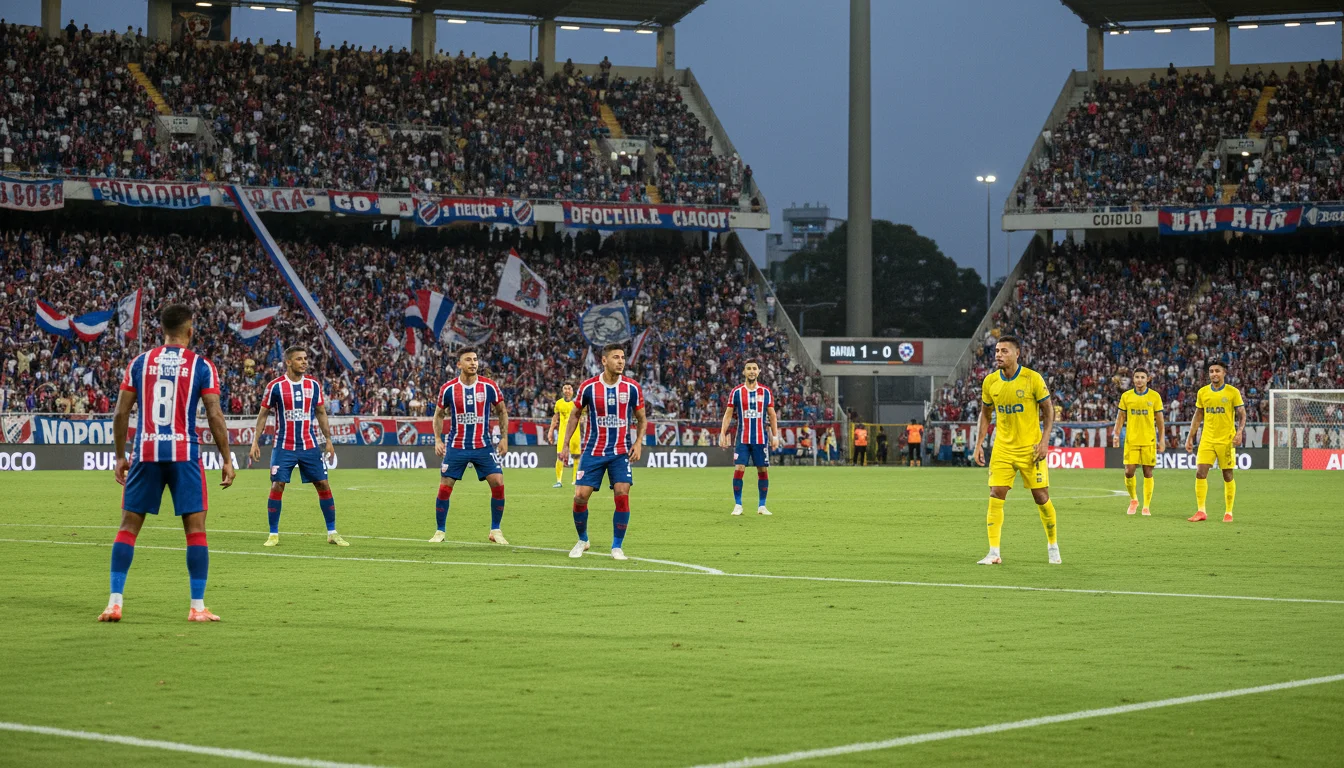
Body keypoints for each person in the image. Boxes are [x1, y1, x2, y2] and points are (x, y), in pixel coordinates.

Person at [100, 304, 235, 623]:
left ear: (163, 331)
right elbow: (215, 414)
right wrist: (227, 459)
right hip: (184, 453)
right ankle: (197, 607)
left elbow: (120, 414)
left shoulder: (140, 362)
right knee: (196, 530)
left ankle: (114, 603)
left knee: (128, 527)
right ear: (190, 330)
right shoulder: (202, 366)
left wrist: (120, 456)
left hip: (145, 451)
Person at [973, 335, 1060, 565]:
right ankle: (993, 552)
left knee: (1041, 497)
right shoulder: (990, 382)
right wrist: (979, 443)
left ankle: (1053, 545)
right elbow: (985, 413)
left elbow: (1048, 411)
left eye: (1004, 351)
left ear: (1017, 354)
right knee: (995, 494)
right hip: (1002, 448)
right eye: (997, 351)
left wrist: (1044, 441)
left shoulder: (1032, 379)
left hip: (1031, 449)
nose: (998, 355)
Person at [249, 346, 346, 547]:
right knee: (278, 485)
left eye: (305, 358)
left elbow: (320, 412)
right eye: (299, 359)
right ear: (288, 362)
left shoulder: (313, 385)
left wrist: (328, 440)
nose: (304, 362)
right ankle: (273, 534)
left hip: (309, 445)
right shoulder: (275, 386)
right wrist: (255, 441)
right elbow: (263, 415)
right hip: (283, 445)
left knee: (323, 484)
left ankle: (332, 532)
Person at [559, 344, 646, 560]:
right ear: (604, 361)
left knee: (622, 493)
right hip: (594, 450)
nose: (621, 361)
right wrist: (566, 445)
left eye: (623, 358)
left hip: (620, 452)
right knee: (580, 496)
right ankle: (582, 539)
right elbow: (575, 415)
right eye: (616, 357)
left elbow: (642, 418)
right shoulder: (589, 387)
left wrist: (639, 442)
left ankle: (617, 546)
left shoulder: (632, 388)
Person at [430, 348, 509, 544]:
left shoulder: (489, 386)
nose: (473, 363)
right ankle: (440, 531)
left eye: (475, 359)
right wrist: (438, 439)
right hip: (457, 446)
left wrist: (504, 438)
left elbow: (502, 411)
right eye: (468, 360)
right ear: (459, 364)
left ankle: (496, 530)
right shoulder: (448, 389)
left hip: (483, 446)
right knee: (445, 487)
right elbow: (438, 414)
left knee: (498, 482)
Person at [1185, 361, 1245, 523]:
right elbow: (1198, 416)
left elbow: (1242, 414)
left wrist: (1239, 432)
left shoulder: (1233, 392)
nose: (1214, 374)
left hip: (1226, 440)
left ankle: (1228, 512)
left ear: (1224, 372)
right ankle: (1201, 511)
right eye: (1211, 371)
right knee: (1200, 472)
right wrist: (1190, 437)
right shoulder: (1203, 392)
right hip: (1207, 439)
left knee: (1227, 474)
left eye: (1217, 371)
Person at [718, 360, 779, 516]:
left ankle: (762, 506)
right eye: (749, 369)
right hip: (742, 439)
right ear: (744, 372)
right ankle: (738, 505)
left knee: (763, 470)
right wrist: (722, 433)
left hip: (760, 439)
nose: (752, 371)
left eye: (754, 368)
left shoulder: (766, 392)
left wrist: (775, 435)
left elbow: (772, 415)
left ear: (759, 371)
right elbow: (728, 414)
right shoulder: (737, 392)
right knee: (739, 468)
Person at [1112, 366, 1164, 516]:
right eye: (1137, 377)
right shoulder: (1126, 396)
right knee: (1129, 471)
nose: (1139, 380)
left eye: (1142, 377)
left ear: (1148, 379)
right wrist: (1116, 435)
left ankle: (1146, 506)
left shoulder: (1154, 397)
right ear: (1133, 379)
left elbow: (1160, 420)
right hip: (1131, 440)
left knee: (1148, 472)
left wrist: (1162, 439)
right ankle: (1134, 499)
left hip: (1149, 440)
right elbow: (1120, 417)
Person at [548, 382, 581, 488]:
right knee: (560, 456)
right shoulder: (559, 403)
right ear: (562, 390)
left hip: (575, 433)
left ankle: (575, 480)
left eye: (569, 388)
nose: (567, 390)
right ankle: (559, 481)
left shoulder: (577, 403)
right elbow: (555, 419)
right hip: (562, 433)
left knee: (576, 456)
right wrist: (551, 431)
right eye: (565, 388)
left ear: (572, 391)